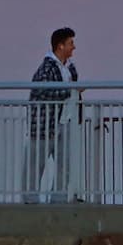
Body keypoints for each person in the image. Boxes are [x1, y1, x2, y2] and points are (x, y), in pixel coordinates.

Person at [23, 27, 81, 203]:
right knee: (36, 164)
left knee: (66, 164)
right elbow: (43, 92)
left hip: (63, 121)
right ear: (60, 46)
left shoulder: (66, 69)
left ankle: (58, 199)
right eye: (71, 43)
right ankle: (30, 201)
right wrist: (70, 91)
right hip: (45, 124)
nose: (74, 47)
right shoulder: (47, 68)